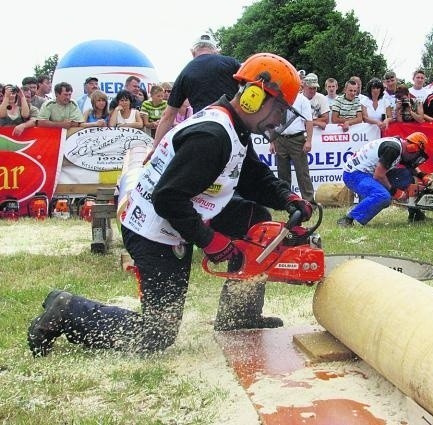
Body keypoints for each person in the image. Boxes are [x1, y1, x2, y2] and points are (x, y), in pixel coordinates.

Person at [27, 52, 314, 357]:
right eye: (279, 109)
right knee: (156, 334)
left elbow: (249, 174)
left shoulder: (235, 127)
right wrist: (209, 240)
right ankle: (67, 309)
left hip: (185, 210)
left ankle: (239, 315)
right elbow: (168, 198)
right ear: (254, 96)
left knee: (255, 220)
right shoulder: (212, 135)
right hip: (154, 228)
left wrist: (288, 197)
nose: (279, 119)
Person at [150, 33, 241, 153]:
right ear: (216, 51)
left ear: (192, 53)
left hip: (205, 133)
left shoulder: (186, 72)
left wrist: (155, 148)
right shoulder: (232, 63)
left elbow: (168, 115)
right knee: (254, 168)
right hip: (235, 130)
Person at [337, 132, 433, 226]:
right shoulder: (393, 149)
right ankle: (348, 219)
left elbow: (410, 165)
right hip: (354, 175)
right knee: (383, 196)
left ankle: (415, 214)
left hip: (368, 173)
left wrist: (422, 175)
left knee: (405, 174)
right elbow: (378, 176)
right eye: (416, 155)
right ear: (412, 149)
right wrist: (394, 191)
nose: (415, 158)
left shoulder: (400, 146)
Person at [270, 86, 315, 202]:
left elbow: (309, 121)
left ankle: (309, 202)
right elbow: (272, 121)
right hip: (280, 138)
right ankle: (285, 201)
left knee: (302, 173)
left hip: (297, 139)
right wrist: (272, 142)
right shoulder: (277, 98)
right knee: (282, 174)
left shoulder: (302, 100)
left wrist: (308, 141)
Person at [16, 82, 84, 131]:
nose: (68, 97)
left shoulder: (73, 103)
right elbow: (40, 123)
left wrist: (51, 123)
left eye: (69, 94)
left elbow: (78, 123)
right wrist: (62, 124)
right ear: (57, 94)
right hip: (52, 137)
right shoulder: (49, 104)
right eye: (65, 95)